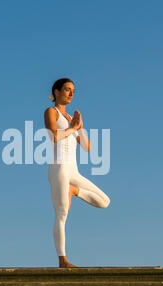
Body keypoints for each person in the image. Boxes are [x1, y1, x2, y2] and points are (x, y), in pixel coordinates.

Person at [43, 78, 111, 268]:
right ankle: (62, 259)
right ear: (56, 92)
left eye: (73, 90)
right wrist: (72, 127)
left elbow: (87, 147)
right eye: (67, 90)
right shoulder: (51, 112)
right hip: (59, 168)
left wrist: (80, 128)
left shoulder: (71, 119)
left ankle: (74, 191)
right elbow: (54, 136)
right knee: (61, 213)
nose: (71, 94)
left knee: (104, 201)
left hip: (73, 170)